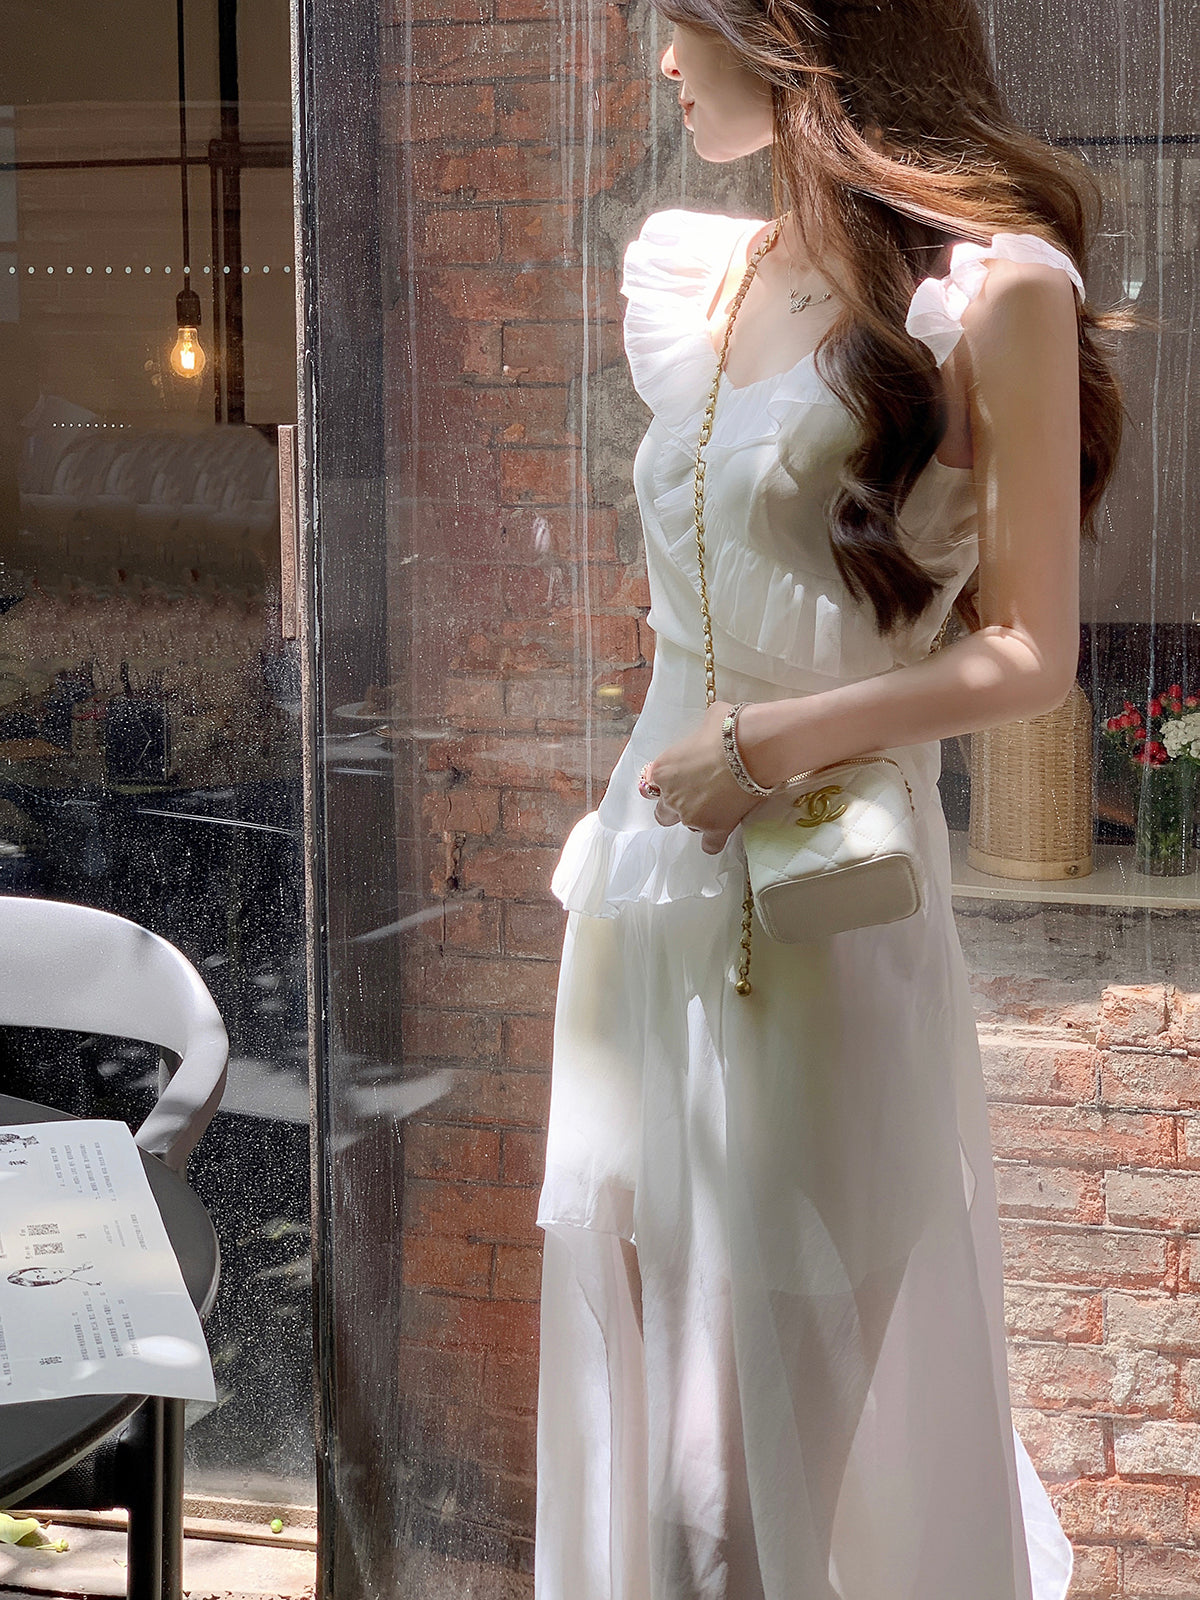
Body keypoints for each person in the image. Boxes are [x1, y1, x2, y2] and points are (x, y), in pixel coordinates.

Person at [534, 1, 1124, 1596]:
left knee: (720, 1509)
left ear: (793, 30)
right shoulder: (714, 275)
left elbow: (1032, 654)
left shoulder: (990, 290)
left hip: (818, 922)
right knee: (641, 1435)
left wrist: (772, 745)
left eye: (684, 21)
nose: (664, 61)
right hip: (647, 896)